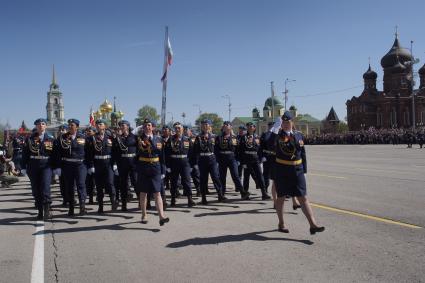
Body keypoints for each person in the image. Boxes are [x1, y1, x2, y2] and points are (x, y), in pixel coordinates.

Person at [272, 111, 324, 234]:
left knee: (303, 197)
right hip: (282, 171)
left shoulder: (298, 135)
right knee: (281, 197)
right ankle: (281, 223)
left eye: (287, 122)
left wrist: (304, 170)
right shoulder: (277, 136)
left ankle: (313, 224)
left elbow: (303, 154)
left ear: (292, 122)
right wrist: (274, 129)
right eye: (283, 122)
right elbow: (269, 142)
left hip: (298, 171)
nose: (285, 124)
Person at [136, 118, 169, 225]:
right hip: (143, 167)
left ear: (153, 127)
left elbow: (162, 156)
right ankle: (144, 215)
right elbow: (136, 155)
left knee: (157, 192)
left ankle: (161, 216)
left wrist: (163, 170)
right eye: (145, 125)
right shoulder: (138, 139)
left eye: (149, 125)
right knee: (143, 192)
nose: (147, 127)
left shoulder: (159, 139)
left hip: (155, 167)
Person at [21, 118, 55, 220]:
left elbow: (54, 154)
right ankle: (40, 211)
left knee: (45, 188)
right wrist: (23, 167)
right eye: (39, 124)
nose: (41, 126)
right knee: (36, 189)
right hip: (33, 165)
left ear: (46, 126)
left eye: (43, 124)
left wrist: (56, 167)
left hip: (46, 166)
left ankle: (47, 210)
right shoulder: (30, 139)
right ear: (36, 126)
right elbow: (25, 154)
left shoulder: (51, 138)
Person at [54, 118, 89, 216]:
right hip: (67, 165)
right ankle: (71, 208)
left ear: (77, 127)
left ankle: (82, 206)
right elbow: (57, 153)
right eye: (69, 125)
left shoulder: (83, 137)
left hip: (80, 165)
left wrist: (89, 165)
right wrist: (58, 167)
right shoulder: (61, 138)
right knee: (69, 186)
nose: (70, 127)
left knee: (81, 184)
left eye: (72, 125)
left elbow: (88, 152)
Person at [86, 119, 118, 213]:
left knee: (110, 183)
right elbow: (89, 153)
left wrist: (115, 163)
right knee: (99, 186)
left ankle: (113, 203)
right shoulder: (92, 138)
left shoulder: (111, 137)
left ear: (104, 126)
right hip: (97, 163)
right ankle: (101, 206)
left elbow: (115, 152)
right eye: (97, 124)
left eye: (100, 124)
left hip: (108, 163)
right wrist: (91, 165)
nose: (98, 126)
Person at [193, 119, 226, 205]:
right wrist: (195, 163)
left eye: (206, 124)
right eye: (203, 124)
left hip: (212, 158)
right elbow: (195, 151)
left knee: (215, 177)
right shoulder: (198, 137)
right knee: (203, 179)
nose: (204, 126)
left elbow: (218, 149)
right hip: (202, 159)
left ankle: (220, 195)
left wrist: (218, 160)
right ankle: (203, 198)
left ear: (210, 126)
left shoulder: (215, 137)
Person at [164, 122, 196, 207]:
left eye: (179, 128)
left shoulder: (187, 139)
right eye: (176, 128)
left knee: (187, 181)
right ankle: (173, 199)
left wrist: (192, 165)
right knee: (174, 182)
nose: (177, 129)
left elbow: (192, 153)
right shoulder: (170, 140)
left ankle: (190, 199)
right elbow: (166, 154)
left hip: (185, 163)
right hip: (174, 163)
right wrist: (168, 166)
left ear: (182, 129)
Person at [215, 121, 250, 200]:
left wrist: (238, 159)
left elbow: (238, 150)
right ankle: (221, 195)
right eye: (224, 125)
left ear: (230, 127)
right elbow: (216, 150)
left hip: (232, 158)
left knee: (235, 176)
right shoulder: (219, 137)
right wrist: (217, 160)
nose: (225, 126)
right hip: (222, 158)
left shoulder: (235, 137)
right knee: (222, 177)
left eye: (227, 125)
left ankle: (242, 192)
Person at [238, 122, 271, 200]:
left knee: (260, 176)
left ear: (254, 128)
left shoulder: (257, 137)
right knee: (246, 177)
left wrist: (262, 157)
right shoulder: (243, 137)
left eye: (252, 126)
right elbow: (240, 150)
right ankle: (245, 193)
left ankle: (264, 193)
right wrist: (243, 162)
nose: (250, 127)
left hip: (255, 159)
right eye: (248, 126)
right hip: (247, 159)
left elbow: (261, 149)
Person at [112, 120, 137, 211]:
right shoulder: (118, 139)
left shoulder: (135, 137)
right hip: (122, 163)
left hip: (133, 163)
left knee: (136, 182)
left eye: (123, 125)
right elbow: (114, 152)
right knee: (123, 184)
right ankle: (124, 205)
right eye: (120, 125)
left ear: (128, 126)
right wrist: (115, 164)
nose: (121, 127)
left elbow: (138, 151)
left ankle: (140, 202)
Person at [84, 126, 96, 204]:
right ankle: (90, 198)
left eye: (90, 131)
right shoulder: (85, 140)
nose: (88, 132)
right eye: (87, 131)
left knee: (98, 182)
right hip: (88, 163)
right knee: (89, 182)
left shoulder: (97, 139)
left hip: (97, 163)